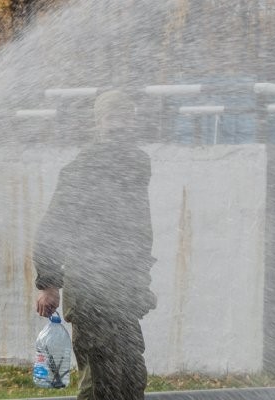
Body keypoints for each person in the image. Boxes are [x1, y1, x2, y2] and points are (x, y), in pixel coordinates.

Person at [34, 90, 157, 400]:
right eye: (112, 117)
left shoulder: (136, 166)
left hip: (125, 292)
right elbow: (53, 228)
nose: (120, 124)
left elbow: (139, 233)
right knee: (102, 382)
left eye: (125, 116)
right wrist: (49, 284)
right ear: (99, 122)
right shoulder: (83, 168)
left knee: (132, 378)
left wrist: (141, 281)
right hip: (91, 292)